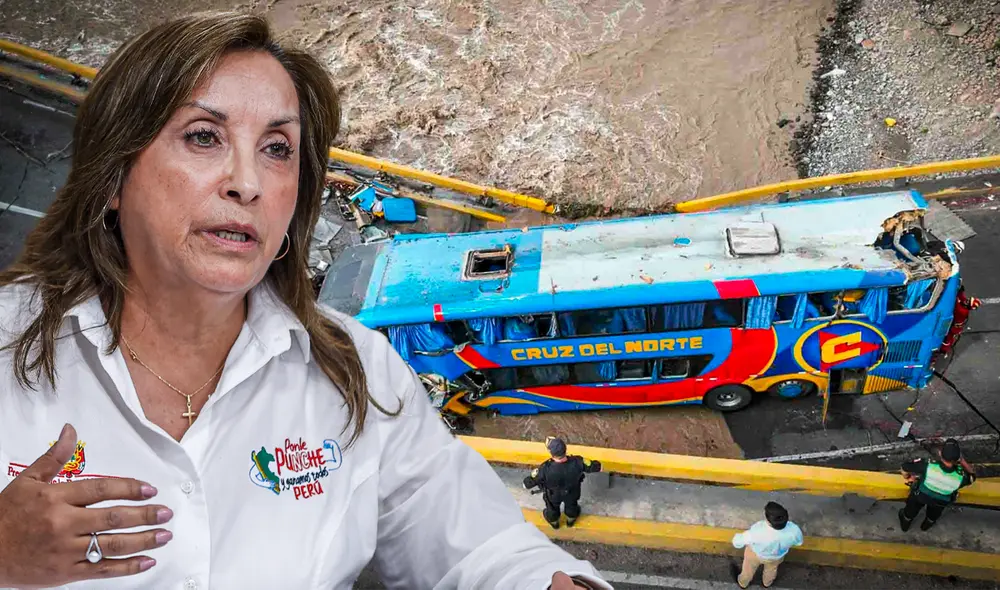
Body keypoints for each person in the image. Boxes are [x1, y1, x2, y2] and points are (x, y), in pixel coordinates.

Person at [0, 12, 610, 590]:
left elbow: (472, 543)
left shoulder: (357, 371)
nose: (248, 182)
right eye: (204, 136)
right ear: (112, 177)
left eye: (277, 149)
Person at [899, 438, 977, 532]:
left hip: (921, 495)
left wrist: (908, 478)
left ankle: (905, 524)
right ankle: (925, 526)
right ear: (958, 458)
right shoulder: (962, 477)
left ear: (940, 453)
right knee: (933, 515)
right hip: (941, 501)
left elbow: (904, 467)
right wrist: (963, 461)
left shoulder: (928, 465)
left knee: (910, 510)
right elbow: (972, 476)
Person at [523, 437, 602, 529]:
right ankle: (570, 521)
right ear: (565, 449)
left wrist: (528, 481)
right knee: (572, 506)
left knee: (552, 508)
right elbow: (598, 467)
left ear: (551, 453)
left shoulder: (544, 469)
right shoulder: (578, 462)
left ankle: (554, 523)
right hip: (572, 492)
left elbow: (527, 484)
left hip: (553, 495)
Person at [731, 502, 803, 589]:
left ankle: (743, 583)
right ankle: (767, 583)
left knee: (748, 570)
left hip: (755, 554)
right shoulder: (794, 530)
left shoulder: (758, 530)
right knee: (771, 570)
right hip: (776, 557)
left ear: (769, 521)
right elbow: (799, 542)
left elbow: (737, 542)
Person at [940, 286, 981, 356]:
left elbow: (955, 303)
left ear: (968, 305)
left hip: (954, 327)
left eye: (968, 301)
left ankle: (943, 350)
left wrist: (952, 293)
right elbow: (962, 298)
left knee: (948, 338)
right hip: (955, 324)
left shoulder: (962, 311)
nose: (967, 300)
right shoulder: (965, 305)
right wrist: (960, 292)